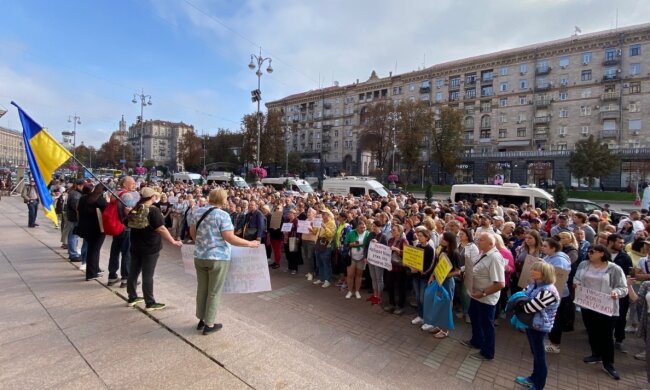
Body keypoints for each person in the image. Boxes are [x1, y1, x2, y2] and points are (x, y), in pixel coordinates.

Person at [189, 189, 260, 335]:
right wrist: (250, 244)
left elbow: (192, 233)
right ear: (223, 199)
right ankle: (209, 323)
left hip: (200, 256)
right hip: (218, 257)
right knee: (214, 291)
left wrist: (202, 244)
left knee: (202, 288)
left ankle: (201, 319)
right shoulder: (223, 215)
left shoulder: (196, 212)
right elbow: (229, 237)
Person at [573, 244, 628, 380]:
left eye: (592, 252)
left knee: (606, 335)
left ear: (602, 253)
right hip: (588, 304)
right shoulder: (584, 264)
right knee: (592, 331)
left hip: (606, 307)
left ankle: (608, 363)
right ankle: (596, 354)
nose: (589, 254)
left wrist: (616, 292)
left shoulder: (614, 269)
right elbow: (577, 278)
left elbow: (623, 287)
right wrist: (577, 284)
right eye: (589, 251)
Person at [126, 187, 182, 311]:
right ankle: (150, 302)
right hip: (150, 247)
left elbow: (126, 223)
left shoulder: (135, 208)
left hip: (135, 245)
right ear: (152, 197)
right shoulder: (153, 210)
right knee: (147, 275)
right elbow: (161, 228)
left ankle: (132, 297)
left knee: (133, 272)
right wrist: (172, 241)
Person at [514, 261, 560, 390]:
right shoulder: (534, 285)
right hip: (532, 324)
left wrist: (520, 302)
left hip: (539, 327)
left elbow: (529, 307)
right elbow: (523, 296)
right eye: (532, 269)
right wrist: (522, 301)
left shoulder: (549, 291)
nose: (532, 271)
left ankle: (539, 385)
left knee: (539, 356)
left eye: (536, 270)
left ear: (545, 274)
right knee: (536, 353)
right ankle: (533, 378)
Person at [460, 232, 505, 361]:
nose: (478, 242)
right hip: (475, 295)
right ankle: (476, 342)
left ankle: (487, 352)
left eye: (482, 240)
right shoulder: (483, 253)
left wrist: (484, 293)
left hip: (486, 298)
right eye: (478, 239)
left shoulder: (495, 258)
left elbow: (500, 284)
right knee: (474, 318)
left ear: (491, 243)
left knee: (487, 325)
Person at [426, 231, 461, 339]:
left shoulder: (454, 253)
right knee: (438, 304)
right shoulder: (441, 249)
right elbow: (437, 265)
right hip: (438, 281)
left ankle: (445, 330)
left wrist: (445, 275)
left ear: (448, 241)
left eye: (443, 239)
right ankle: (439, 325)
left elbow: (458, 271)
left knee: (446, 305)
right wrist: (432, 276)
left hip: (447, 282)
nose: (441, 241)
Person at [540, 238, 571, 355]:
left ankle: (555, 344)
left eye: (545, 246)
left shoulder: (559, 260)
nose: (542, 248)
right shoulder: (549, 257)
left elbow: (558, 278)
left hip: (558, 294)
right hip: (549, 292)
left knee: (556, 319)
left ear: (553, 248)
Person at [607, 233, 633, 352]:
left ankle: (619, 339)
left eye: (623, 243)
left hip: (620, 291)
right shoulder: (603, 254)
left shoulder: (625, 257)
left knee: (621, 316)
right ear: (611, 242)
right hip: (604, 289)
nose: (622, 245)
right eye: (619, 242)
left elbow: (629, 274)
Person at [108, 176, 136, 288]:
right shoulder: (127, 195)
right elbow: (130, 212)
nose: (134, 185)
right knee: (126, 253)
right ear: (125, 184)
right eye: (132, 183)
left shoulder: (116, 193)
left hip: (116, 226)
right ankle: (126, 278)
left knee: (114, 251)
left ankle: (112, 276)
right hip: (126, 228)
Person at [76, 183, 108, 281]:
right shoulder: (100, 201)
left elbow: (78, 210)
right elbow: (107, 213)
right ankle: (91, 273)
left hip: (85, 227)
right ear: (102, 191)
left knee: (92, 248)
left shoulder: (84, 198)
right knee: (94, 250)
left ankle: (94, 268)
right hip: (97, 228)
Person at [410, 226, 435, 327]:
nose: (418, 237)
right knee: (417, 296)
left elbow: (430, 265)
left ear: (426, 237)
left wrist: (421, 271)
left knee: (423, 298)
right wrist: (411, 267)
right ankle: (420, 316)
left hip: (424, 277)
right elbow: (413, 259)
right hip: (416, 276)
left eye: (421, 236)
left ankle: (427, 318)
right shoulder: (418, 246)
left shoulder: (430, 249)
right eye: (418, 236)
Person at [384, 224, 408, 314]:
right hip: (391, 267)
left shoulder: (404, 241)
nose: (392, 232)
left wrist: (397, 250)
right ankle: (392, 304)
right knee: (390, 286)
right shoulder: (390, 240)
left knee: (401, 288)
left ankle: (400, 306)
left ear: (399, 231)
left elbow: (407, 254)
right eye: (392, 230)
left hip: (400, 269)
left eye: (394, 230)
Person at [344, 220, 369, 299]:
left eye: (364, 227)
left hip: (361, 257)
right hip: (352, 256)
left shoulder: (368, 234)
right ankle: (350, 291)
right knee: (350, 275)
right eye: (361, 228)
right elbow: (345, 243)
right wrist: (352, 244)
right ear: (357, 227)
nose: (363, 229)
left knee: (359, 275)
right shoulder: (351, 233)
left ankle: (357, 291)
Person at [312, 209, 336, 287]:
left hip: (326, 246)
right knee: (319, 263)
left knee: (326, 263)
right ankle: (322, 278)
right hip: (319, 244)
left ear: (328, 215)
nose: (322, 215)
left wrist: (325, 227)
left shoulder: (332, 223)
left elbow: (331, 235)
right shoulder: (320, 221)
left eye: (324, 214)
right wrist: (313, 226)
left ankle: (327, 280)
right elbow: (315, 232)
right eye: (322, 214)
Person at [66, 179, 85, 262]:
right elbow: (76, 207)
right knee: (73, 236)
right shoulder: (75, 195)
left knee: (74, 236)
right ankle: (73, 254)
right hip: (74, 218)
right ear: (79, 185)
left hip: (73, 217)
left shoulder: (75, 193)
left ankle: (73, 252)